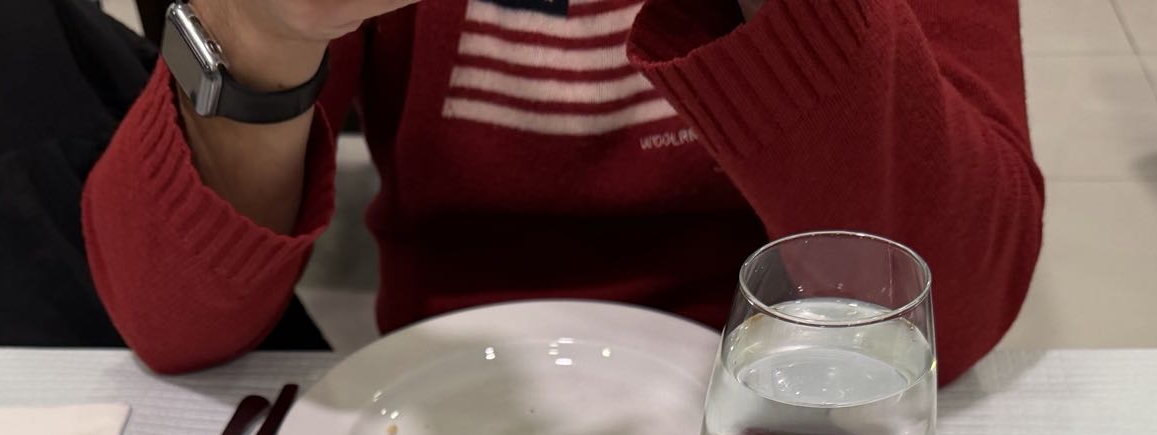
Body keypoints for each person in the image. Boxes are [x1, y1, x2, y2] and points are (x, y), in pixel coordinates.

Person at [85, 0, 1043, 382]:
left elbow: (944, 318)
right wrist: (259, 34)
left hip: (796, 400)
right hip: (441, 413)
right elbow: (173, 322)